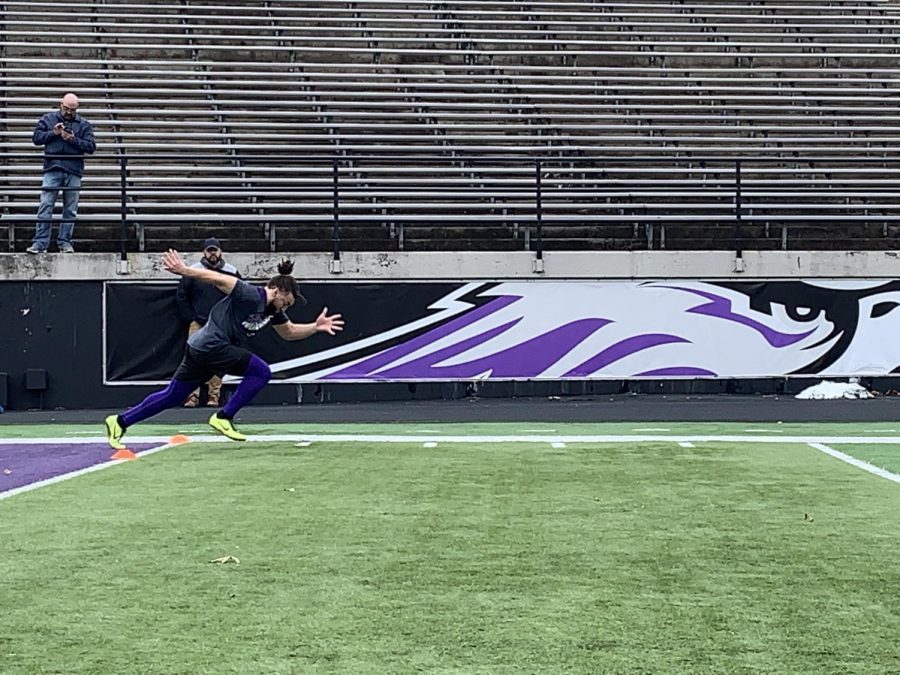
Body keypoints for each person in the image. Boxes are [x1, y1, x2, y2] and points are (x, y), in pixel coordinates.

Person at [104, 250, 344, 449]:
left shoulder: (274, 311)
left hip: (200, 349)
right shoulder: (252, 294)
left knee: (172, 396)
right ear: (277, 291)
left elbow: (289, 332)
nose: (285, 307)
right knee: (260, 372)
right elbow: (219, 279)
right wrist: (185, 270)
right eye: (286, 301)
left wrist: (315, 327)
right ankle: (223, 417)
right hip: (211, 345)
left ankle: (120, 421)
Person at [175, 237, 243, 407]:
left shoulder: (231, 271)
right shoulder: (192, 271)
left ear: (220, 251)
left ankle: (214, 396)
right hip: (199, 323)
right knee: (193, 359)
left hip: (221, 325)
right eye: (209, 250)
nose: (213, 254)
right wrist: (192, 317)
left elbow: (240, 296)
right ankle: (192, 396)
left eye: (215, 250)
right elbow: (182, 296)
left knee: (219, 360)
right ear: (204, 252)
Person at [26, 93, 97, 254]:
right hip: (53, 168)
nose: (69, 112)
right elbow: (36, 138)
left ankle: (65, 241)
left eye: (72, 109)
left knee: (70, 209)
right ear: (60, 105)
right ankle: (40, 242)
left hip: (73, 170)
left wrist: (73, 140)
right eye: (66, 108)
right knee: (46, 205)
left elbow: (91, 146)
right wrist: (54, 133)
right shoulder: (48, 119)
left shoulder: (84, 124)